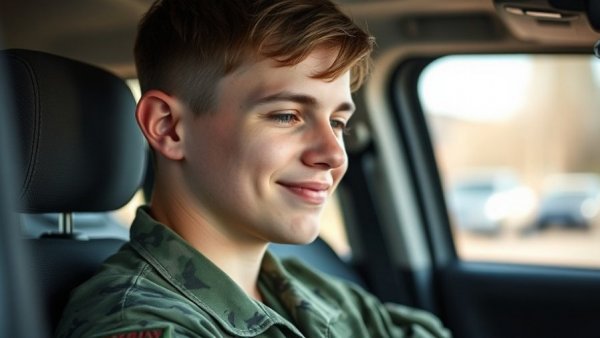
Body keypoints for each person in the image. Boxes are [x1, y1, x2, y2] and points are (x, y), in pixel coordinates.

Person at [56, 0, 451, 337]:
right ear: (169, 127)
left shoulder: (319, 292)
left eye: (337, 123)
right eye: (286, 116)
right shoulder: (140, 321)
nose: (333, 154)